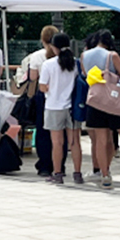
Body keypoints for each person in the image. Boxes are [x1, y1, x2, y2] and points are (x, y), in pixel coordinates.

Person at [81, 30, 120, 189]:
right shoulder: (112, 55)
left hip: (96, 102)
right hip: (115, 102)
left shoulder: (84, 56)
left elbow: (85, 75)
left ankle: (105, 176)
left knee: (101, 141)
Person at [38, 33, 84, 185]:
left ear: (53, 47)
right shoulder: (75, 63)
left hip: (53, 106)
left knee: (57, 143)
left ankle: (57, 174)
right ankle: (77, 173)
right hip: (72, 107)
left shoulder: (48, 64)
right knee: (74, 142)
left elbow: (42, 87)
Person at [15, 26, 58, 176]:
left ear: (42, 39)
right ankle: (59, 165)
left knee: (43, 131)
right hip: (61, 95)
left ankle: (45, 165)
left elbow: (32, 77)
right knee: (60, 133)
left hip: (43, 95)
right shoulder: (64, 56)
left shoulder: (37, 56)